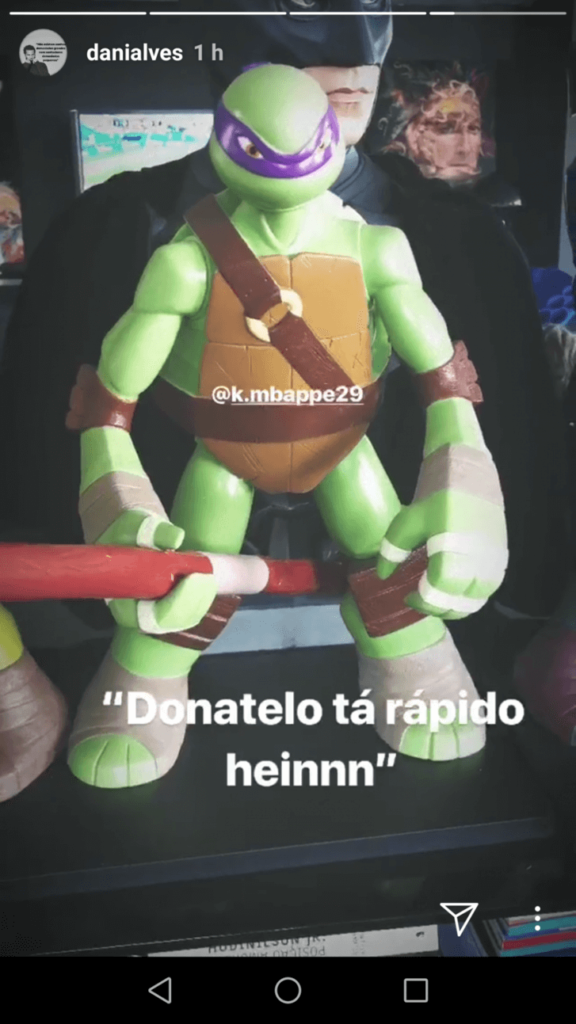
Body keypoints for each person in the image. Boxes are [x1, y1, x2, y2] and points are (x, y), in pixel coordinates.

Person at [0, 0, 569, 785]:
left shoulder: (440, 241)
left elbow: (457, 383)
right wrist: (113, 495)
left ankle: (410, 650)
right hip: (211, 467)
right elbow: (94, 401)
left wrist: (468, 481)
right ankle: (151, 667)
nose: (349, 58)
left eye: (365, 28)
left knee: (386, 557)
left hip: (351, 464)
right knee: (178, 576)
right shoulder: (121, 234)